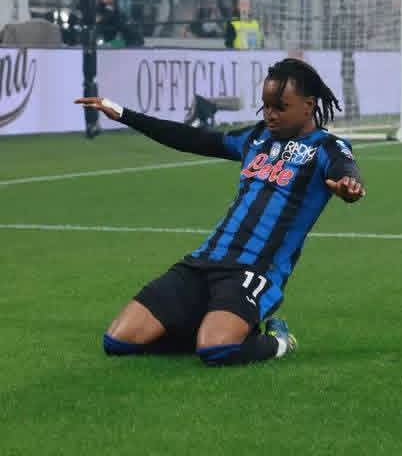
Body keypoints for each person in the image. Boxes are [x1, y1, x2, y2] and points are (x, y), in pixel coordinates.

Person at [75, 58, 366, 366]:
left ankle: (279, 340)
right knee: (118, 341)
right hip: (203, 262)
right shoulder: (255, 139)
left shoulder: (326, 147)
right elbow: (191, 138)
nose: (270, 114)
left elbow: (345, 168)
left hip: (255, 270)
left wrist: (349, 184)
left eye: (280, 107)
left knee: (217, 350)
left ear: (308, 106)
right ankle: (209, 329)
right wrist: (124, 115)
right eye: (266, 106)